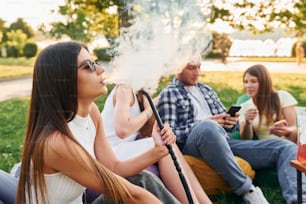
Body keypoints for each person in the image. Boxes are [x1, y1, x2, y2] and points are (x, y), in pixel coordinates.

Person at [15, 41, 182, 204]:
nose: (101, 69)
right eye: (88, 66)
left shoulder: (92, 113)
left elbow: (114, 167)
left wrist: (158, 151)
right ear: (64, 80)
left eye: (94, 63)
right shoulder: (55, 143)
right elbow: (132, 196)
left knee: (141, 179)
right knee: (137, 187)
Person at [157, 55, 306, 204]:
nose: (197, 72)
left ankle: (299, 199)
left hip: (224, 142)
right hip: (193, 146)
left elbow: (227, 122)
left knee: (286, 147)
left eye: (199, 67)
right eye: (191, 68)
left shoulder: (206, 90)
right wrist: (204, 123)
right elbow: (170, 133)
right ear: (177, 68)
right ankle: (247, 191)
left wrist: (230, 121)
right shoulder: (170, 93)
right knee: (207, 127)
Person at [101, 84, 212, 204]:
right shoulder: (124, 89)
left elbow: (148, 132)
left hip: (122, 148)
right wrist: (149, 110)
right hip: (109, 151)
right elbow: (122, 130)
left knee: (168, 143)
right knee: (165, 145)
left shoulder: (140, 92)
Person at [239, 64, 298, 143]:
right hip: (267, 148)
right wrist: (247, 123)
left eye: (253, 81)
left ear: (264, 82)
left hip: (288, 143)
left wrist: (286, 130)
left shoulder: (282, 96)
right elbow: (246, 139)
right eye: (246, 82)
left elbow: (293, 128)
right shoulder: (244, 107)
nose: (248, 86)